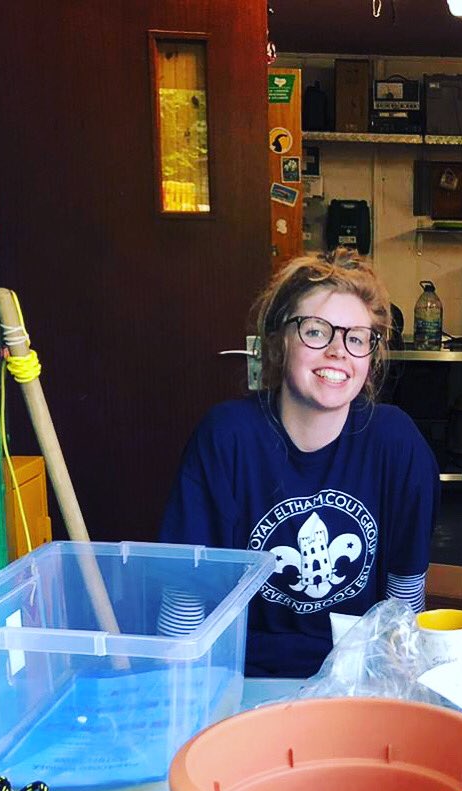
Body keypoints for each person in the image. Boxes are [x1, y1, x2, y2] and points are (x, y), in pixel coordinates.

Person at [161, 249, 439, 678]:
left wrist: (397, 686)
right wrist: (179, 692)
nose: (338, 351)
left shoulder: (397, 443)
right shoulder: (227, 438)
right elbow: (185, 596)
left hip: (355, 678)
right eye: (315, 331)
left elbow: (404, 600)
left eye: (357, 338)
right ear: (279, 342)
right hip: (241, 677)